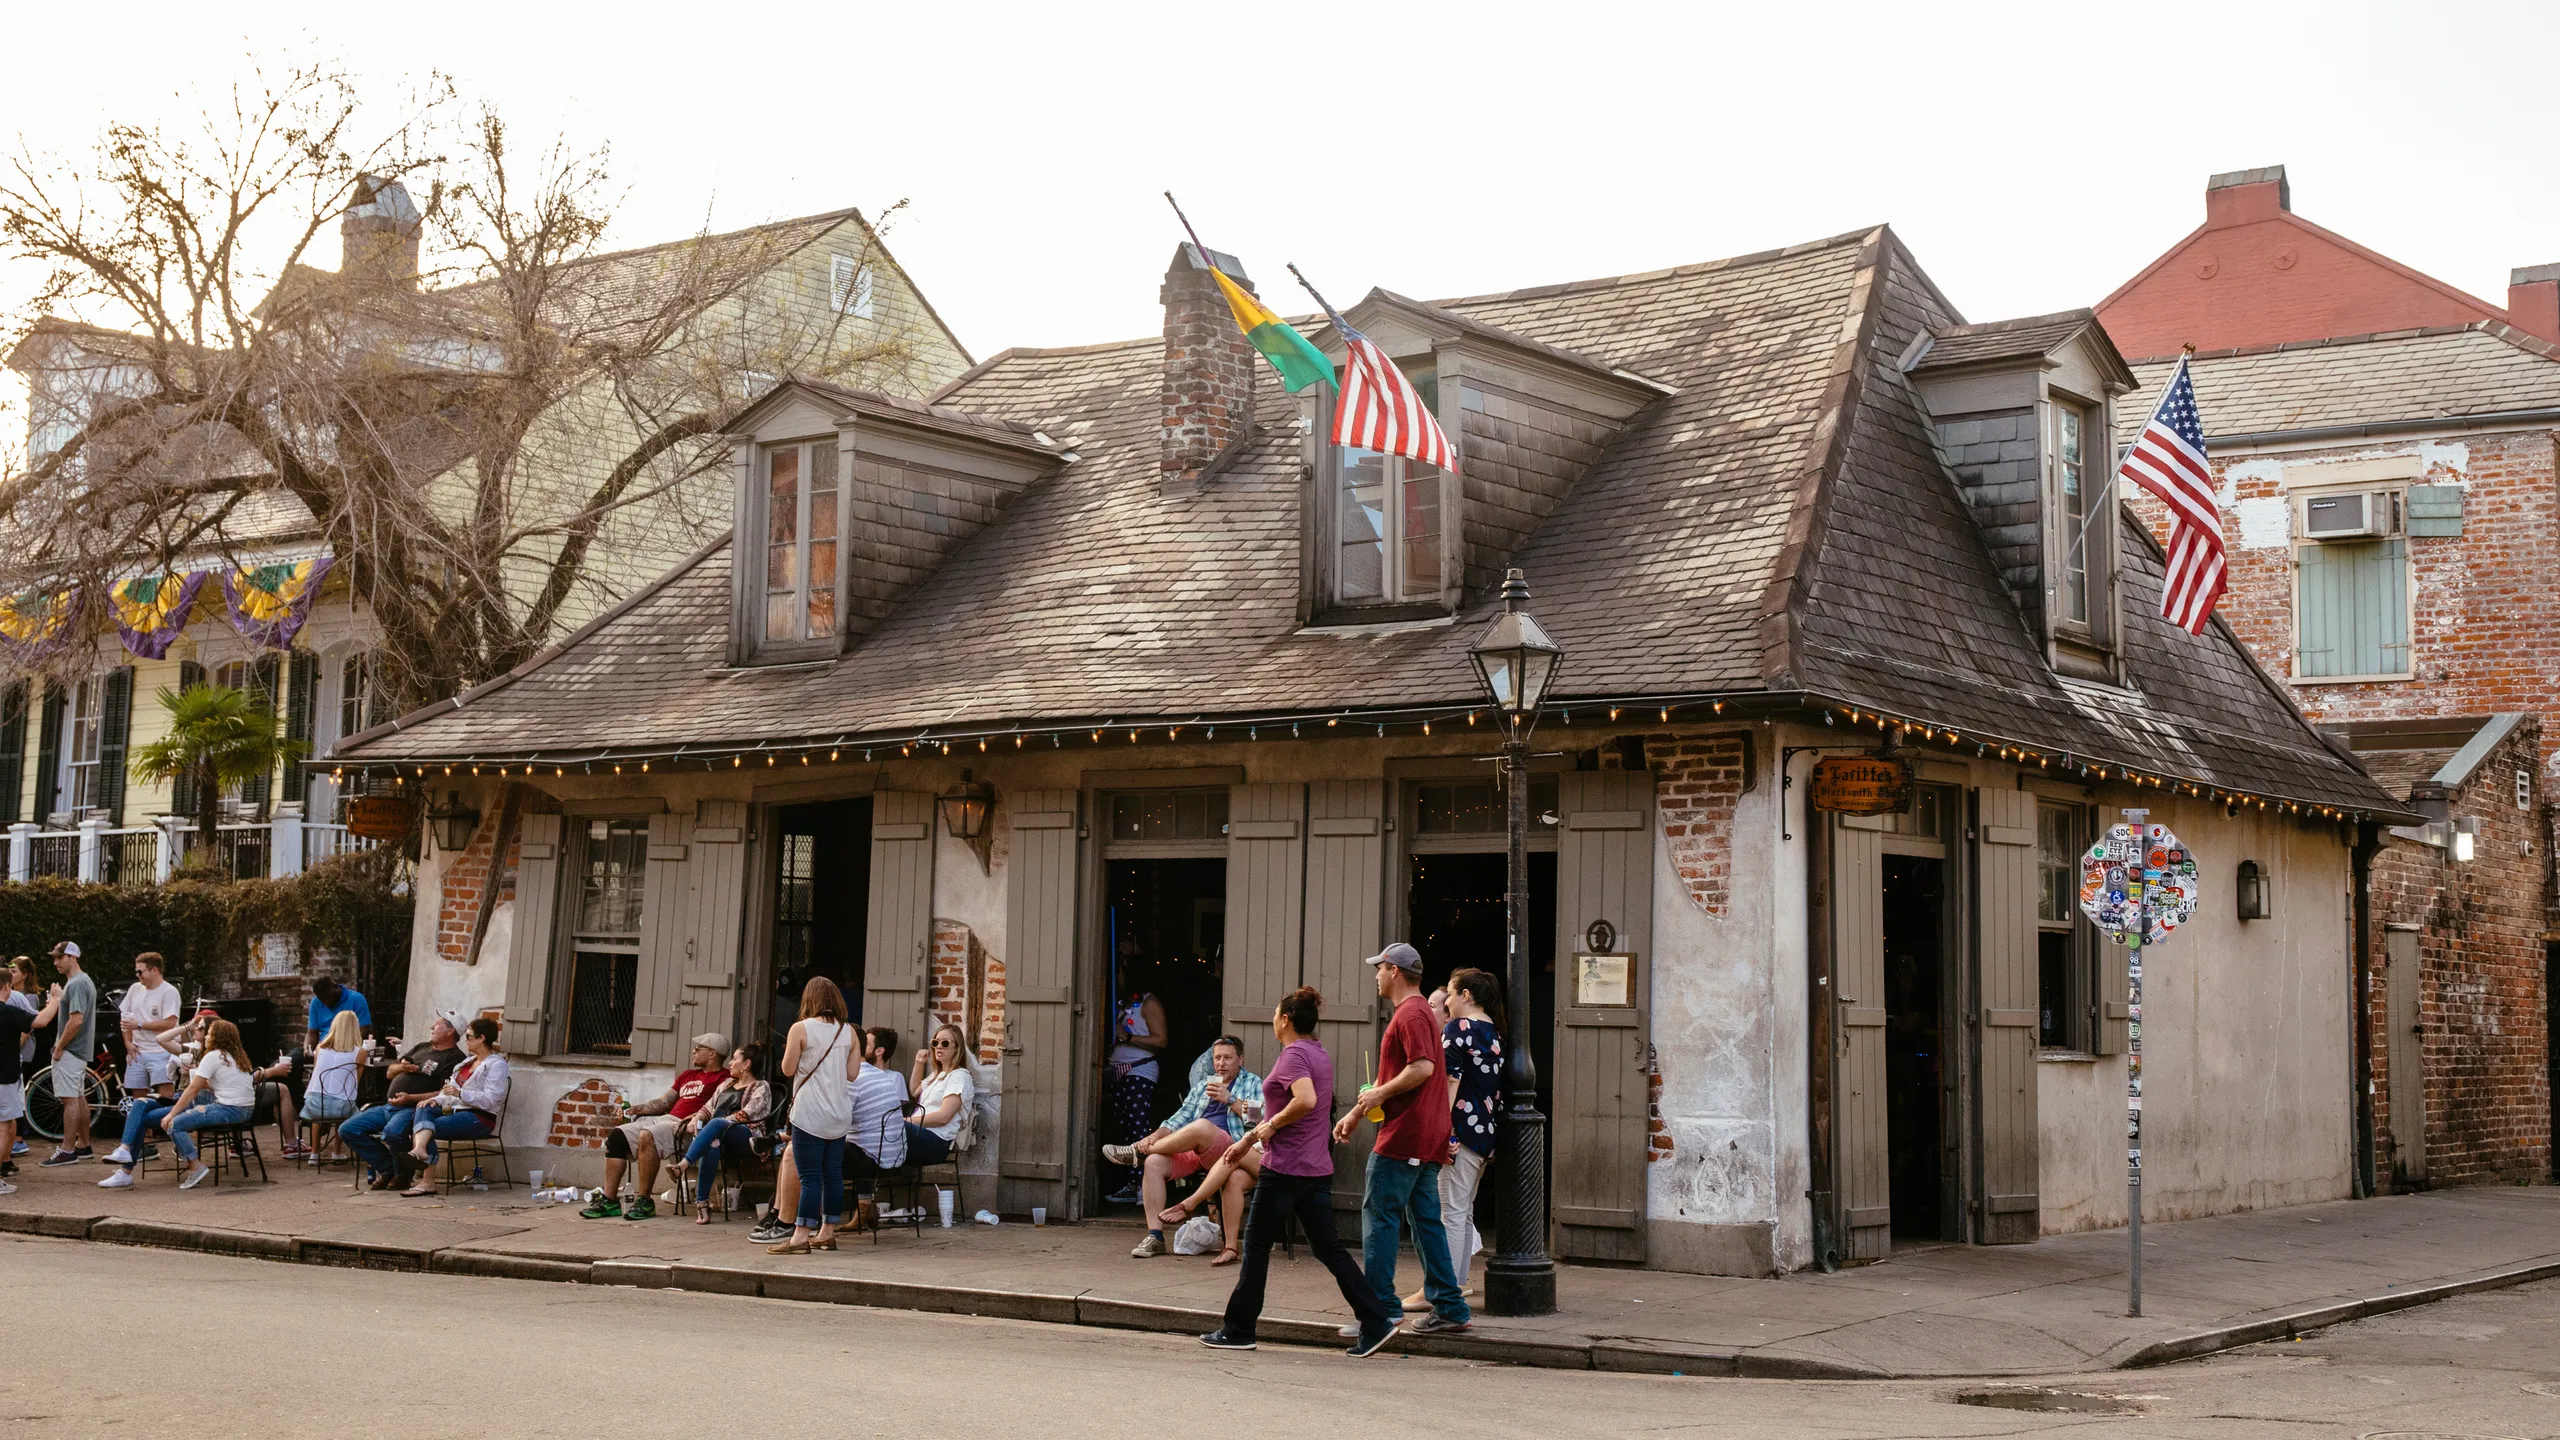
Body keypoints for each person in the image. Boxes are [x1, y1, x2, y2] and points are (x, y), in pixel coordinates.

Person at [1198, 987, 1397, 1357]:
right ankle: (1377, 1321)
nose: (1274, 1019)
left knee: (1255, 1246)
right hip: (1314, 1168)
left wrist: (1263, 1132)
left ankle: (1239, 1328)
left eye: (1276, 1014)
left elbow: (1305, 1100)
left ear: (1285, 1019)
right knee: (1329, 1249)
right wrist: (1256, 1133)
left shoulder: (1293, 1056)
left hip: (1285, 1168)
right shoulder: (1318, 1053)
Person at [1331, 942, 1471, 1337]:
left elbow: (1422, 1067)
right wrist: (1357, 1112)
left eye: (1378, 969)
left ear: (1393, 970)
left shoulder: (1410, 1013)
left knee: (1379, 1215)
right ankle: (1450, 1307)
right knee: (1426, 1221)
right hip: (1426, 1134)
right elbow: (1404, 1072)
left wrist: (1376, 1096)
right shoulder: (1420, 1012)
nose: (1375, 976)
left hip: (1405, 1135)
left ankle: (1380, 1310)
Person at [1102, 1035, 1263, 1259]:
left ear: (1240, 1060)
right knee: (1154, 1163)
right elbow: (1178, 1119)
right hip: (1198, 1150)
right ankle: (1155, 1237)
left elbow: (1257, 1121)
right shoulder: (1203, 1087)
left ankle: (1137, 1152)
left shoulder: (1253, 1083)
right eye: (1217, 1058)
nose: (1221, 1063)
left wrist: (1230, 1099)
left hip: (1231, 1149)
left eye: (1227, 1058)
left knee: (1203, 1127)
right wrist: (1155, 1136)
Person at [1408, 967, 1502, 1310]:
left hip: (1459, 1133)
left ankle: (1438, 1289)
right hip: (1483, 1135)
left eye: (1449, 993)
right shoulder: (1492, 1031)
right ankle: (1456, 1284)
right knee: (1462, 1211)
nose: (1446, 1001)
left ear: (1465, 995)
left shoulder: (1458, 1028)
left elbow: (1449, 1082)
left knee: (1449, 1212)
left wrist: (1442, 1129)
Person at [578, 1032, 730, 1221]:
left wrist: (695, 1117)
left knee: (647, 1134)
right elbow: (665, 1102)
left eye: (698, 1049)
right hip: (666, 1118)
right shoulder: (688, 1075)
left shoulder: (725, 1079)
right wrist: (637, 1109)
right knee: (617, 1136)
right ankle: (610, 1201)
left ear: (713, 1053)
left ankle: (644, 1201)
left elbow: (718, 1108)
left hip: (689, 1126)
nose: (693, 1052)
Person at [102, 1016, 257, 1190]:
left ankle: (193, 1166)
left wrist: (172, 1114)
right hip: (237, 1107)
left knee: (171, 1123)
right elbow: (217, 1085)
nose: (203, 1035)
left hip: (226, 1107)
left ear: (215, 1036)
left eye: (205, 1032)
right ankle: (124, 1158)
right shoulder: (234, 1056)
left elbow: (193, 1090)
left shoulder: (213, 1056)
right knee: (141, 1108)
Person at [771, 977, 856, 1255]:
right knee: (832, 1175)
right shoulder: (849, 1032)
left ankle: (800, 1237)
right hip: (839, 1113)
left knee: (809, 1177)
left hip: (809, 1113)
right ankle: (827, 1233)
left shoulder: (800, 1028)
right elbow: (853, 1074)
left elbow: (787, 1069)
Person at [340, 1012, 466, 1189]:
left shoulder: (455, 1058)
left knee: (393, 1132)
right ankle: (387, 1168)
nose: (432, 1027)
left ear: (450, 1031)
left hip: (413, 1108)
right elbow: (389, 1072)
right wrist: (402, 1067)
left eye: (437, 1025)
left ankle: (403, 1175)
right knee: (348, 1129)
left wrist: (410, 1098)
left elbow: (444, 1092)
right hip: (388, 1106)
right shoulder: (423, 1047)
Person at [397, 1017, 507, 1197]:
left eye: (470, 1036)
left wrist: (460, 1093)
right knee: (423, 1107)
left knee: (427, 1128)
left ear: (482, 1038)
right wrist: (437, 1100)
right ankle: (421, 1153)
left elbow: (490, 1100)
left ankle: (426, 1177)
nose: (466, 1040)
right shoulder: (466, 1063)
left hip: (479, 1118)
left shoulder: (496, 1065)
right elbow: (448, 1091)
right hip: (457, 1111)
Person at [679, 1044, 772, 1224]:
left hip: (748, 1136)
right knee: (711, 1145)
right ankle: (703, 1204)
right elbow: (708, 1107)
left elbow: (746, 1114)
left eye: (735, 1059)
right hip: (719, 1136)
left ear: (746, 1064)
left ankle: (685, 1163)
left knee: (716, 1124)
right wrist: (696, 1117)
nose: (730, 1063)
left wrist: (718, 1124)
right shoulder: (726, 1084)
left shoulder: (761, 1087)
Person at [1103, 984, 1167, 1203]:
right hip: (1118, 1072)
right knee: (1126, 1132)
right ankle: (1132, 1184)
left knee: (1139, 1131)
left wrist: (1128, 1038)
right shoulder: (1125, 1002)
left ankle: (1144, 1186)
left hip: (1140, 1071)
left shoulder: (1149, 1002)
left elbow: (1161, 1039)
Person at [845, 1025, 908, 1232]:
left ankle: (811, 1223)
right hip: (887, 1151)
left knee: (815, 1151)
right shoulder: (879, 1075)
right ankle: (864, 1209)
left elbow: (839, 1120)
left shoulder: (856, 1077)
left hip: (878, 1155)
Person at [39, 941, 96, 1166]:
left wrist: (60, 1047)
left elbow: (76, 1019)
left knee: (69, 1100)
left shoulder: (78, 983)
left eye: (59, 957)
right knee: (77, 1096)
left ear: (72, 957)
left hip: (71, 1050)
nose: (55, 962)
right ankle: (83, 1145)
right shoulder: (79, 982)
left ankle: (67, 1149)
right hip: (78, 1050)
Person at [904, 1022, 975, 1168]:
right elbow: (915, 1090)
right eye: (935, 1042)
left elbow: (943, 1117)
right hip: (921, 1133)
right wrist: (919, 1063)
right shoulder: (937, 1074)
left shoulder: (959, 1076)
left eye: (945, 1043)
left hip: (937, 1140)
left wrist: (906, 1121)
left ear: (956, 1048)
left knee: (890, 1129)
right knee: (880, 1131)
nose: (939, 1046)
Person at [300, 1010, 365, 1162]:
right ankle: (336, 1151)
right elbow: (356, 1081)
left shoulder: (320, 1048)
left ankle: (314, 1153)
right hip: (341, 1106)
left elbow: (318, 1072)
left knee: (319, 1113)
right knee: (346, 1106)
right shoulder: (359, 1052)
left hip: (315, 1105)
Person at [117, 952, 182, 1102]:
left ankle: (166, 1124)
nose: (138, 975)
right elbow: (125, 1017)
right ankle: (145, 1126)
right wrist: (127, 1042)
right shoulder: (134, 989)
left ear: (155, 970)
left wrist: (139, 1025)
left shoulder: (169, 992)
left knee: (166, 1095)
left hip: (162, 1050)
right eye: (136, 972)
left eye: (141, 971)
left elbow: (170, 1023)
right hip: (138, 1051)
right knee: (138, 1098)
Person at [0, 961, 41, 1194]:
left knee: (7, 1119)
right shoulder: (12, 1002)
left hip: (12, 1062)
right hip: (7, 1070)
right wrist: (56, 1000)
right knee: (5, 1121)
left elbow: (27, 1027)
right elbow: (38, 1022)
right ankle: (6, 1159)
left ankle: (8, 1158)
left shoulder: (21, 998)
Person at [306, 976, 371, 1049]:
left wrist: (346, 1046)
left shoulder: (356, 999)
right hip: (323, 1046)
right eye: (322, 999)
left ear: (335, 987)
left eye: (328, 997)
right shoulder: (315, 1002)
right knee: (296, 1056)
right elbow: (312, 1032)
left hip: (347, 1047)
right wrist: (308, 1048)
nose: (326, 1002)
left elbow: (364, 1029)